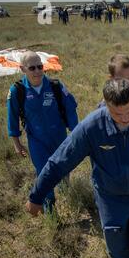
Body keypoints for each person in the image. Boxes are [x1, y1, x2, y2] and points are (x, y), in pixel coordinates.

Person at [25, 78, 129, 258]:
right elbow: (60, 161)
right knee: (117, 249)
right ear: (106, 105)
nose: (126, 119)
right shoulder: (91, 128)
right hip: (110, 198)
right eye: (118, 114)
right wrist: (36, 196)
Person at [7, 51, 78, 213]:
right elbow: (12, 117)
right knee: (44, 173)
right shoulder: (18, 91)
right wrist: (17, 144)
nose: (37, 71)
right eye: (32, 68)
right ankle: (49, 207)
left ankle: (66, 186)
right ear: (22, 69)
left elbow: (70, 110)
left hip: (60, 138)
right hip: (37, 141)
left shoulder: (55, 86)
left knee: (64, 167)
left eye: (40, 67)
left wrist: (76, 133)